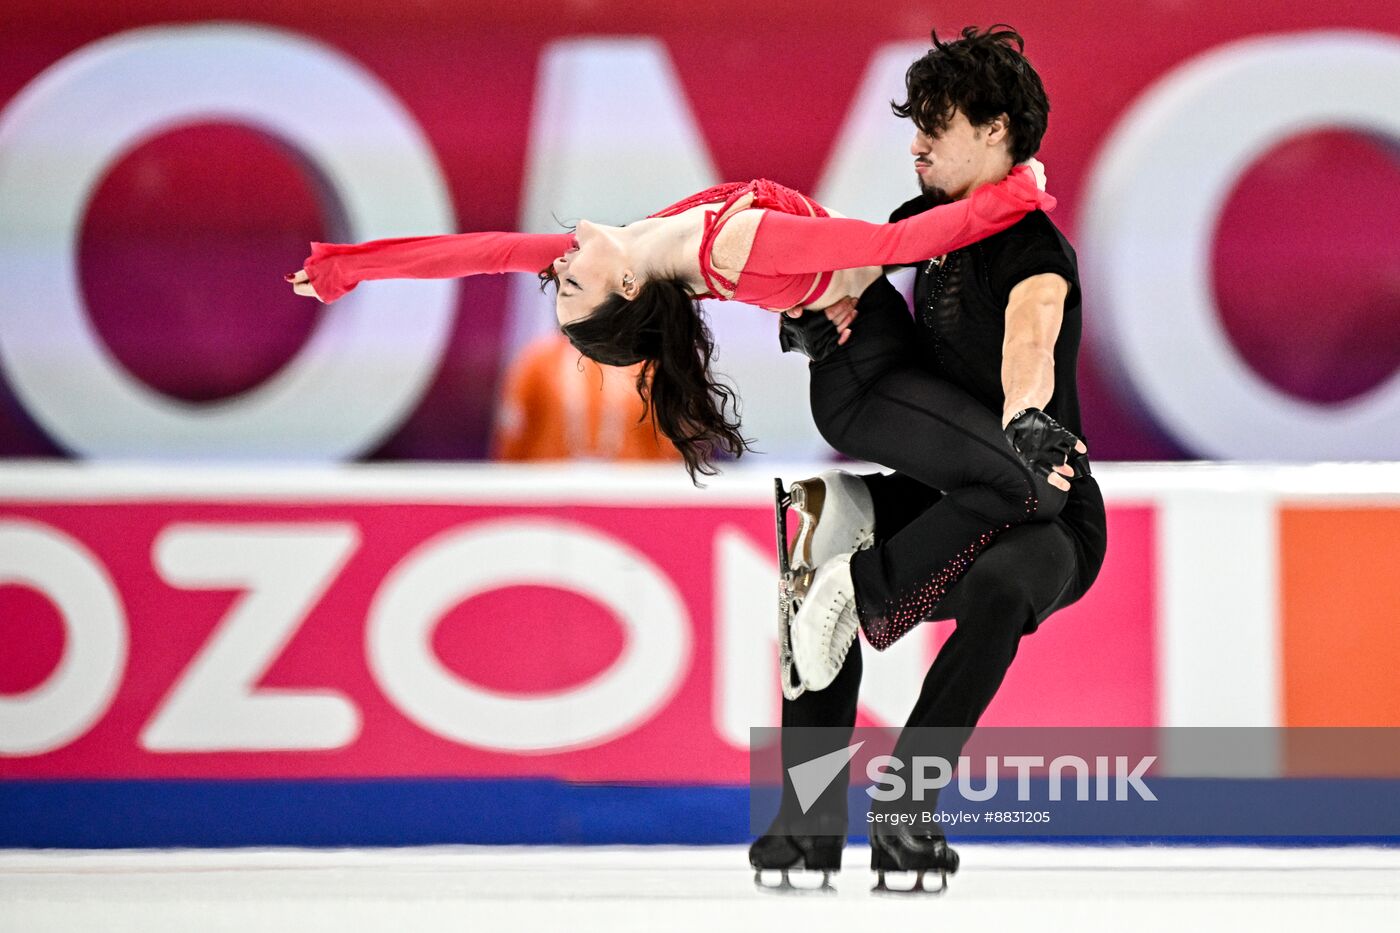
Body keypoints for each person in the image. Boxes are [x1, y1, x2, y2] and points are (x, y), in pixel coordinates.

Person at [751, 25, 1105, 894]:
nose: (914, 142)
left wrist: (1026, 414)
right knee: (815, 535)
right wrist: (812, 318)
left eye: (934, 126)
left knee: (999, 582)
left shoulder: (1036, 253)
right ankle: (808, 822)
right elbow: (852, 278)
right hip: (947, 490)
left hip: (1044, 504)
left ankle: (909, 805)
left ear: (994, 132)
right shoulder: (925, 222)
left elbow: (1031, 336)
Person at [285, 165, 1054, 482]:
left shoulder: (636, 249)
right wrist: (1017, 191)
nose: (554, 268)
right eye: (568, 284)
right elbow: (897, 246)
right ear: (622, 284)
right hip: (866, 341)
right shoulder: (737, 244)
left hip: (840, 311)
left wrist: (347, 267)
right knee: (1012, 472)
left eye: (553, 280)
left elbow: (479, 252)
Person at [491, 332, 680, 463]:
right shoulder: (537, 361)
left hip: (629, 498)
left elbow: (668, 449)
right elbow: (512, 441)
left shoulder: (647, 366)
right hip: (549, 496)